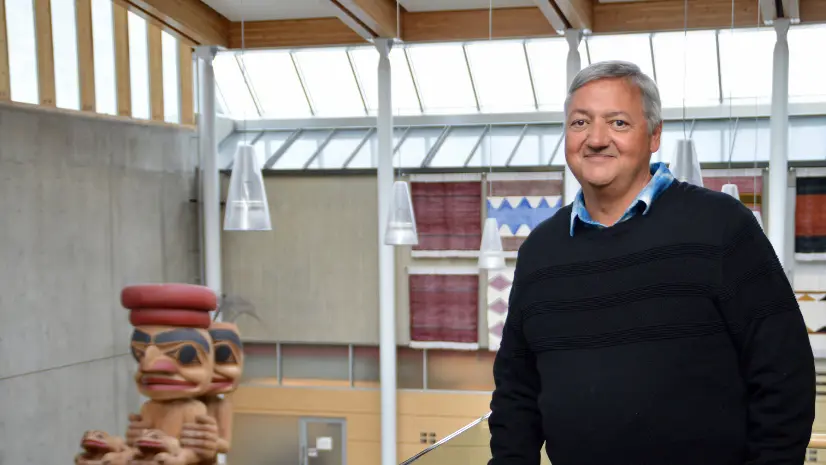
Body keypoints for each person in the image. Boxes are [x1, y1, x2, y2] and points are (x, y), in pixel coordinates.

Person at [488, 60, 815, 465]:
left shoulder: (721, 226)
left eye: (618, 123)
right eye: (580, 123)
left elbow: (784, 375)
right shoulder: (539, 251)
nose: (596, 139)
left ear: (654, 134)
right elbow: (516, 393)